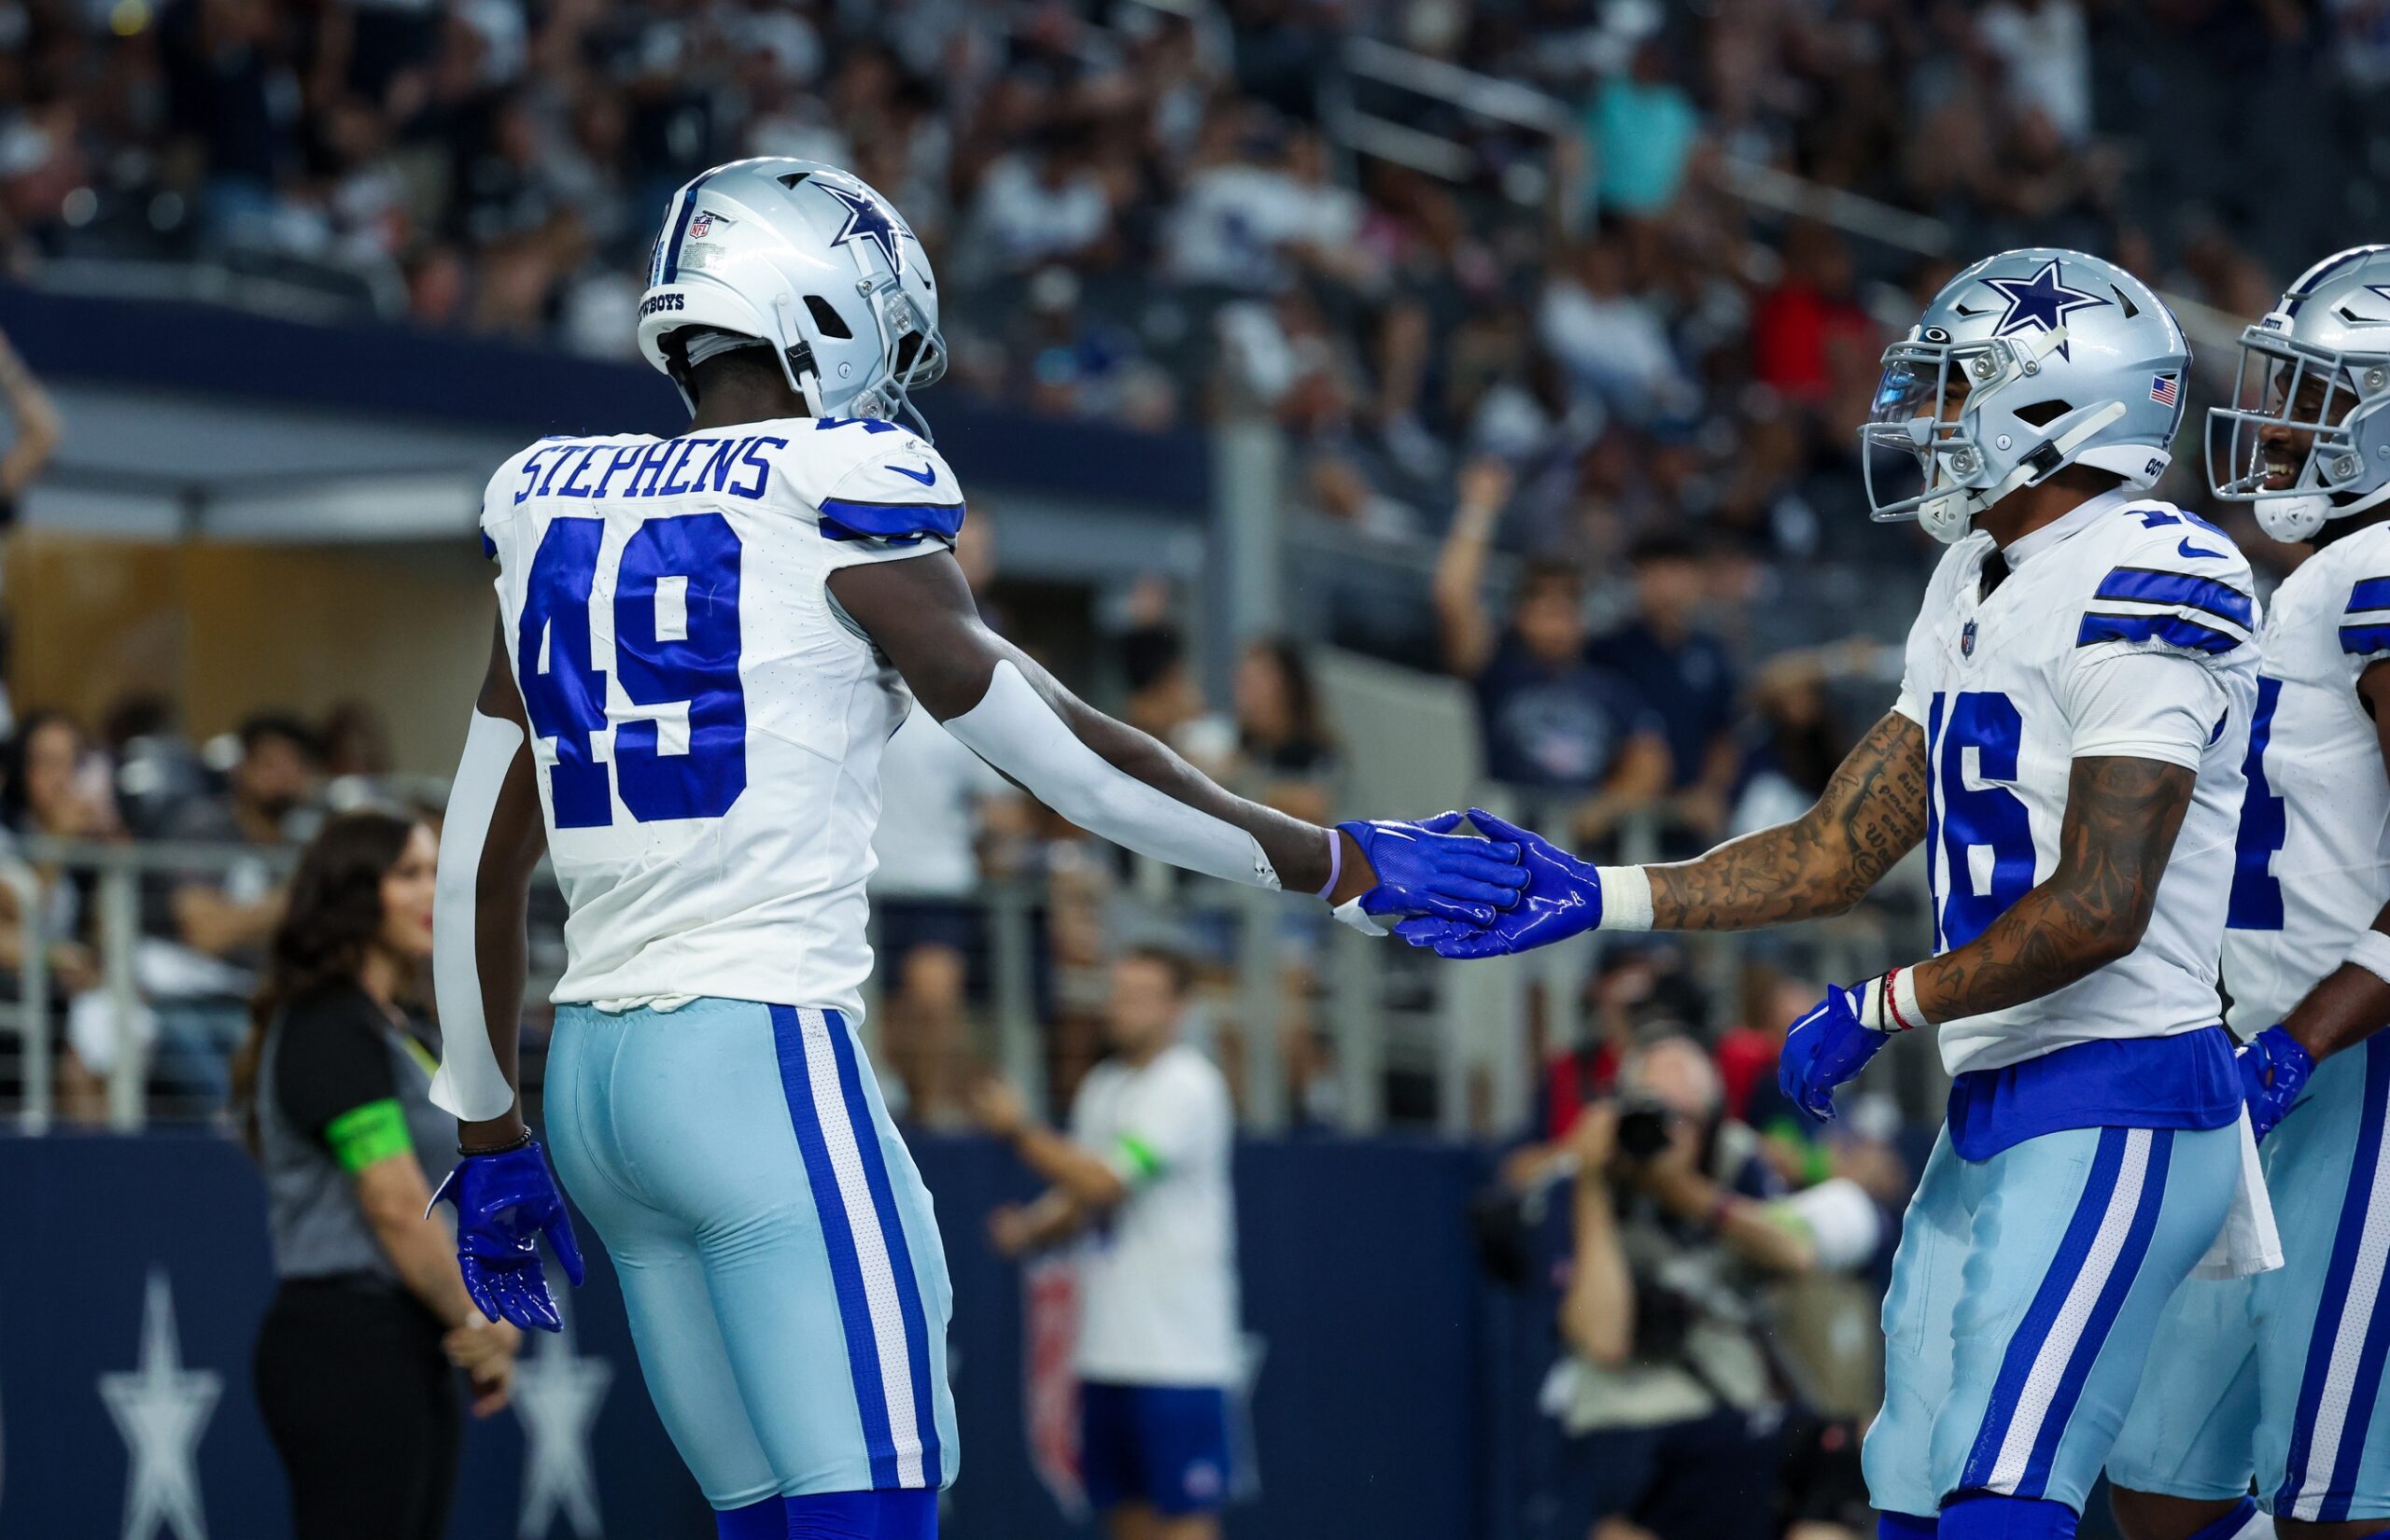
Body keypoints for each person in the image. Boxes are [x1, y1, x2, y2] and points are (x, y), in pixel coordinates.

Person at [422, 157, 1523, 1540]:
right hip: (755, 1052)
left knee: (760, 1522)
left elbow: (472, 862)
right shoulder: (839, 481)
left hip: (589, 1084)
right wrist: (1334, 863)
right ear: (818, 299)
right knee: (873, 1511)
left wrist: (488, 1126)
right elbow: (1064, 755)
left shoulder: (547, 504)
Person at [1399, 249, 2271, 1540]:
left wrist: (1885, 999)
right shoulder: (1972, 581)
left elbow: (2101, 901)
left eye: (1959, 385)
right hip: (2000, 1095)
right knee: (1909, 1494)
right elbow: (1836, 845)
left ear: (2052, 408)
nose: (1925, 417)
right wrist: (1602, 893)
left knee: (2000, 1494)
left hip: (2126, 1084)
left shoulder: (2151, 568)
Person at [2106, 245, 2390, 1540]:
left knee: (2337, 1501)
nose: (2276, 422)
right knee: (2161, 1484)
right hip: (2256, 1063)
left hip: (2355, 1070)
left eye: (2316, 396)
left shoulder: (2375, 567)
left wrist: (2300, 1041)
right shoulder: (2306, 584)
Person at [234, 811, 519, 1540]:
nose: (433, 892)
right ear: (354, 894)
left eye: (437, 873)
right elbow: (394, 1203)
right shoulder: (330, 1024)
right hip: (346, 1348)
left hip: (407, 1345)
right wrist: (476, 1317)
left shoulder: (398, 1026)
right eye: (408, 874)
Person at [1543, 1036, 1880, 1540]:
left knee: (1833, 1450)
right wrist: (1593, 1185)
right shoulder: (1580, 1181)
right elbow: (1604, 1339)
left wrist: (1688, 1195)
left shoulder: (1732, 1162)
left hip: (1729, 1411)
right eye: (1651, 1114)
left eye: (1684, 1119)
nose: (1665, 1133)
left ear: (1714, 1121)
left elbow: (1794, 1254)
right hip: (1630, 1423)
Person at [975, 948, 1242, 1540]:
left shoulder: (1189, 1087)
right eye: (1116, 993)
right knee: (1126, 1520)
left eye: (1139, 995)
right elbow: (1081, 1195)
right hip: (1104, 1351)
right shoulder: (1103, 1084)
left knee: (1184, 1523)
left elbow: (1105, 1181)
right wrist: (1030, 1230)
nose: (1120, 1008)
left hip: (1179, 1358)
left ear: (1178, 1009)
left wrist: (1019, 1131)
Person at [1432, 455, 1670, 844]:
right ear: (1521, 616)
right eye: (1547, 609)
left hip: (1577, 845)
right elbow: (1452, 599)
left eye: (1568, 609)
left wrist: (1609, 804)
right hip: (1500, 834)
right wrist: (1479, 508)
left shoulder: (1607, 686)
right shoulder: (1497, 669)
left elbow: (1650, 758)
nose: (1559, 622)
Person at [1586, 532, 1742, 848]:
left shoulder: (1710, 653)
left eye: (1678, 571)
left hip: (1688, 816)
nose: (1667, 585)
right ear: (1637, 579)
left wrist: (1709, 791)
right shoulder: (1607, 650)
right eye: (1654, 572)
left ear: (1698, 579)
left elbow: (1724, 734)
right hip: (1615, 812)